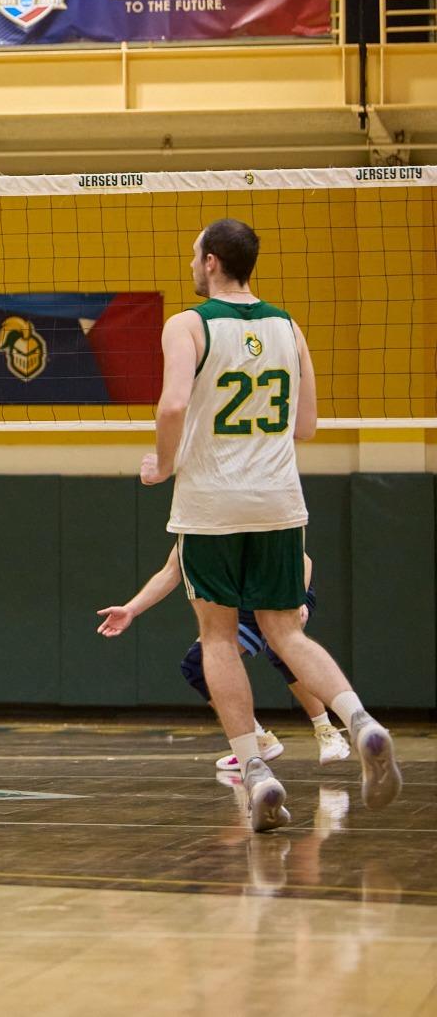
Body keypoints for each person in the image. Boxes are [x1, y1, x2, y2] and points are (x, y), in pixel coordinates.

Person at [139, 218, 399, 831]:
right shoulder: (288, 325)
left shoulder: (187, 324)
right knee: (287, 632)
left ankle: (257, 771)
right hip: (279, 498)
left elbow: (172, 404)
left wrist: (164, 464)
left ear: (208, 263)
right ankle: (359, 720)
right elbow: (305, 426)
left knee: (219, 638)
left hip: (212, 503)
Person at [96, 547, 349, 769]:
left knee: (280, 646)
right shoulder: (192, 531)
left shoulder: (241, 516)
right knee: (196, 665)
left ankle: (327, 730)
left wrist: (297, 599)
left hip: (283, 590)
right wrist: (131, 608)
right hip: (241, 603)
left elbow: (302, 559)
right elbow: (169, 573)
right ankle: (256, 742)